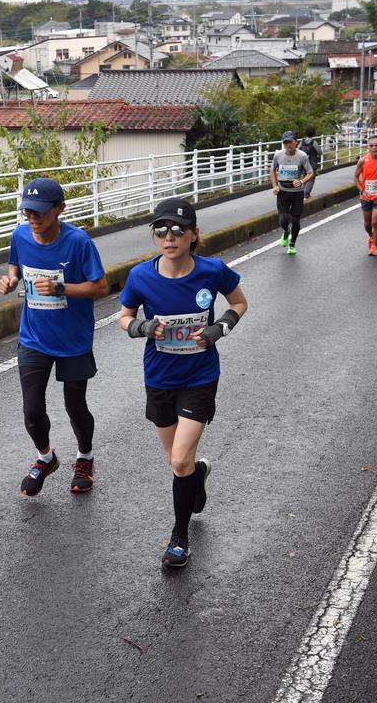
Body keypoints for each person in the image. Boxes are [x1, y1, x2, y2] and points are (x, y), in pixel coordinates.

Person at [118, 199, 248, 569]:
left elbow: (239, 302)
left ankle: (179, 538)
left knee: (178, 459)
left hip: (200, 376)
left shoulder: (212, 271)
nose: (168, 237)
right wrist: (142, 327)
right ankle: (197, 475)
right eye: (160, 230)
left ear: (193, 235)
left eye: (177, 230)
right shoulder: (142, 276)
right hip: (159, 378)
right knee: (180, 463)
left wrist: (218, 328)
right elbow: (124, 316)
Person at [0, 177, 109, 496]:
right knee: (32, 408)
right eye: (27, 212)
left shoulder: (78, 242)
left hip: (73, 339)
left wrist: (61, 288)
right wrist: (10, 279)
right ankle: (45, 457)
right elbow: (14, 265)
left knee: (75, 406)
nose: (33, 218)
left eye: (40, 212)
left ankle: (85, 458)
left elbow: (101, 287)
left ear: (60, 209)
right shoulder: (20, 235)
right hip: (34, 336)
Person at [270, 131, 315, 255]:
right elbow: (272, 170)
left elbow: (310, 173)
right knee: (283, 219)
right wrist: (274, 186)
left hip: (297, 192)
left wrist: (301, 181)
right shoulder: (278, 155)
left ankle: (292, 244)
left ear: (296, 142)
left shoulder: (302, 156)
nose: (288, 145)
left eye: (290, 142)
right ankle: (285, 231)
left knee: (295, 220)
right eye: (285, 142)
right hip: (283, 191)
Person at [299, 126, 323, 200]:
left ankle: (302, 193)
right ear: (313, 133)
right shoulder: (313, 142)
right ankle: (306, 194)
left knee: (304, 176)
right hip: (312, 163)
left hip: (303, 163)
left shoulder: (302, 141)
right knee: (311, 178)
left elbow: (298, 149)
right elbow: (320, 152)